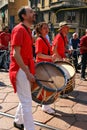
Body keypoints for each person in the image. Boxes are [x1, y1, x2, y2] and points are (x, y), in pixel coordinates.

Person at [9, 7, 36, 130]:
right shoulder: (19, 29)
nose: (34, 13)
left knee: (25, 98)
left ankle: (18, 120)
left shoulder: (27, 30)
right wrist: (27, 72)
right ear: (24, 16)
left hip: (25, 68)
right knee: (27, 102)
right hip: (20, 69)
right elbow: (16, 54)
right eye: (31, 12)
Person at [35, 22, 56, 114]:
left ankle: (44, 104)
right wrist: (50, 57)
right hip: (42, 66)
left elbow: (48, 52)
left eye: (47, 28)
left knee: (46, 86)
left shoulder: (46, 39)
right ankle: (46, 106)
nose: (47, 29)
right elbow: (39, 54)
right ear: (40, 30)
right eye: (44, 28)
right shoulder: (39, 40)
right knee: (48, 86)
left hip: (46, 65)